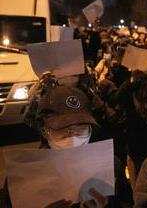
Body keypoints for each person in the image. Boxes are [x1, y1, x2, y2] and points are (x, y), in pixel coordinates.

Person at [0, 76, 133, 208]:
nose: (73, 138)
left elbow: (127, 202)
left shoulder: (112, 166)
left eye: (81, 129)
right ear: (44, 130)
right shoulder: (23, 176)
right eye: (63, 130)